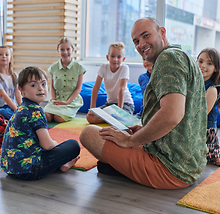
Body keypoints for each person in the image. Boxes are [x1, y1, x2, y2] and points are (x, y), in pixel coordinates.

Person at [80, 17, 208, 189]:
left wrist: (130, 141)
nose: (141, 44)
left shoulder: (167, 58)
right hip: (191, 164)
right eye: (136, 41)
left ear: (162, 32)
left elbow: (172, 115)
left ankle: (122, 166)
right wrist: (143, 130)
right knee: (114, 136)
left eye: (146, 35)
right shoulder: (182, 56)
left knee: (88, 133)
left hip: (171, 168)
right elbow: (179, 114)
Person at [0, 66, 81, 180]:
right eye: (33, 85)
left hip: (11, 169)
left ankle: (61, 164)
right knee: (73, 145)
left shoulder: (20, 108)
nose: (40, 88)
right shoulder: (36, 110)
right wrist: (57, 145)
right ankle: (63, 164)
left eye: (43, 84)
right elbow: (47, 145)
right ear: (21, 89)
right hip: (30, 170)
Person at [86, 42, 134, 124]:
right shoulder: (104, 67)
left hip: (125, 104)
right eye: (112, 56)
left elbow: (121, 89)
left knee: (122, 119)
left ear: (123, 59)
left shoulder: (124, 68)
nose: (115, 59)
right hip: (110, 104)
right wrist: (92, 108)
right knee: (89, 117)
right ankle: (112, 119)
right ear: (107, 57)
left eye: (119, 57)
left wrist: (119, 110)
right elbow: (96, 87)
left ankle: (113, 118)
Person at [44, 37, 86, 122]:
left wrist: (67, 102)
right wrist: (53, 99)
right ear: (58, 50)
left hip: (71, 101)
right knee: (46, 117)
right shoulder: (53, 68)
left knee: (58, 118)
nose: (65, 52)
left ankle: (68, 112)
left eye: (68, 49)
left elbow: (78, 89)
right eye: (62, 49)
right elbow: (52, 87)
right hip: (57, 100)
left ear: (73, 49)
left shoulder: (79, 68)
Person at [197, 48, 220, 166]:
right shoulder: (196, 82)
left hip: (206, 126)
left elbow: (204, 113)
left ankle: (215, 155)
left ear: (216, 68)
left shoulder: (212, 89)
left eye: (209, 63)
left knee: (210, 155)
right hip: (195, 123)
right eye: (200, 61)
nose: (203, 66)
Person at [0, 45, 22, 120]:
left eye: (6, 54)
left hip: (11, 106)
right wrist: (16, 110)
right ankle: (17, 119)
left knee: (26, 111)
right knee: (3, 113)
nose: (4, 56)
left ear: (10, 59)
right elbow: (3, 95)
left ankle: (17, 118)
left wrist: (21, 108)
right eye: (0, 54)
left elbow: (17, 93)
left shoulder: (14, 75)